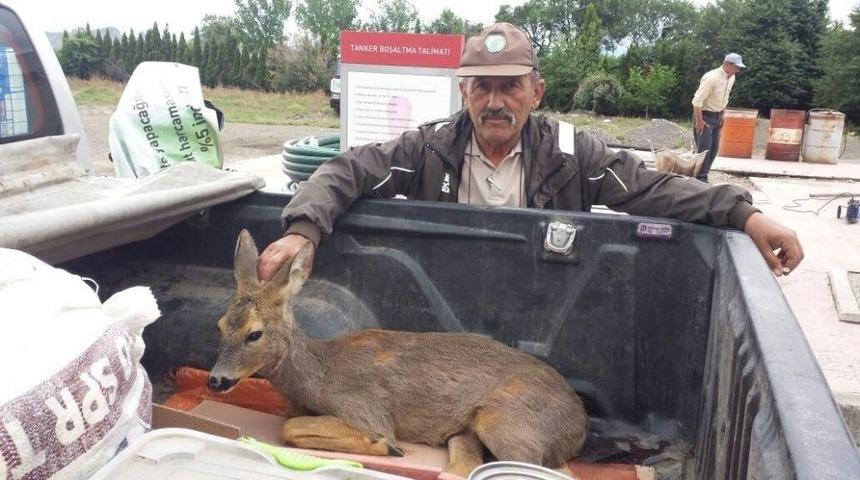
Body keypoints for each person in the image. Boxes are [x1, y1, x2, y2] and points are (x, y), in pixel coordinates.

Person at [258, 24, 802, 282]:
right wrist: (302, 230)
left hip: (542, 310)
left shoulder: (573, 154)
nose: (495, 102)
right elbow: (346, 170)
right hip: (444, 307)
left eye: (510, 86)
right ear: (464, 92)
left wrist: (744, 214)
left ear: (536, 92)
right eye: (482, 87)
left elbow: (652, 188)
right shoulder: (427, 148)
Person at [692, 53, 746, 183]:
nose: (738, 71)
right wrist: (699, 121)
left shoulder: (731, 78)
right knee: (704, 150)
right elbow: (697, 101)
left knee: (714, 150)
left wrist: (722, 115)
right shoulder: (711, 78)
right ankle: (700, 179)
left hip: (717, 115)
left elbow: (725, 98)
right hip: (704, 115)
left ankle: (701, 175)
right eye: (736, 67)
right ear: (727, 64)